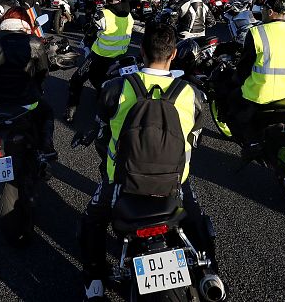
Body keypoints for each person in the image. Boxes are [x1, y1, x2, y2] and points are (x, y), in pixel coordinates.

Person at [77, 23, 217, 300]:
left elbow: (102, 127)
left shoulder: (116, 88)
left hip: (122, 182)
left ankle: (94, 281)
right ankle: (210, 272)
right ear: (173, 54)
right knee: (196, 219)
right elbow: (194, 137)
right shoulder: (190, 93)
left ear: (141, 51)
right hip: (174, 182)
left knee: (92, 223)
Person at [225, 0, 285, 157]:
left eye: (263, 9)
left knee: (233, 100)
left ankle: (252, 142)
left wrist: (235, 79)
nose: (262, 12)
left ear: (270, 12)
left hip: (260, 93)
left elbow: (244, 66)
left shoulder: (257, 33)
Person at [0, 7, 56, 157]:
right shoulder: (35, 42)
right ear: (25, 22)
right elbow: (43, 73)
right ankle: (47, 146)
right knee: (47, 113)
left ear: (4, 21)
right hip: (27, 101)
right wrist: (37, 86)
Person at [64, 0, 132, 123]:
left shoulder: (102, 15)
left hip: (99, 56)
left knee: (76, 80)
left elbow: (90, 32)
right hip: (120, 57)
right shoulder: (129, 16)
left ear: (107, 0)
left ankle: (71, 111)